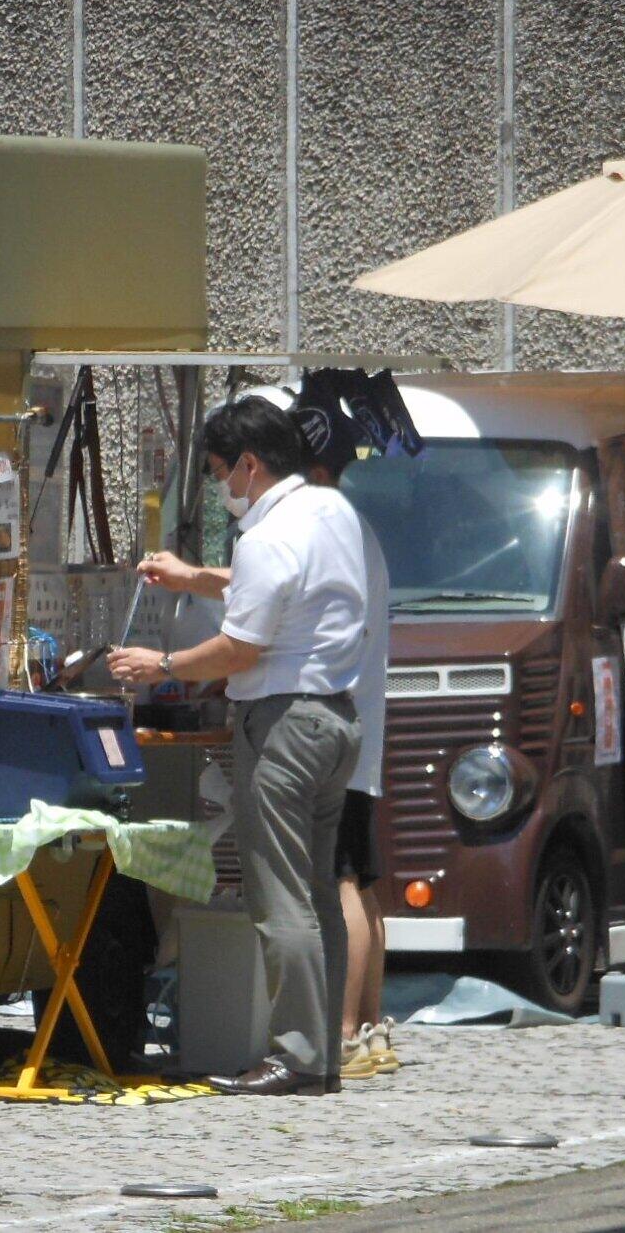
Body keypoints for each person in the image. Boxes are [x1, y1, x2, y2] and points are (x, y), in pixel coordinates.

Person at [108, 396, 366, 1096]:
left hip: (282, 727)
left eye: (223, 470)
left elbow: (240, 647)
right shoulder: (329, 510)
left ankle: (294, 1055)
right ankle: (321, 1052)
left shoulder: (265, 537)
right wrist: (195, 577)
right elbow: (278, 589)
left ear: (250, 465)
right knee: (313, 891)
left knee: (277, 895)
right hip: (336, 721)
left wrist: (158, 663)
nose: (223, 487)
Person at [290, 400, 397, 1080]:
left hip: (337, 722)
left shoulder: (327, 528)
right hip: (363, 722)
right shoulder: (358, 528)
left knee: (340, 883)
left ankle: (345, 1031)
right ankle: (373, 1028)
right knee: (363, 881)